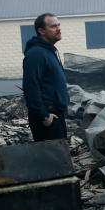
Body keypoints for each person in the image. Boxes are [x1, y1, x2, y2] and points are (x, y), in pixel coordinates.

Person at [22, 13, 70, 141]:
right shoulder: (36, 54)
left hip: (56, 115)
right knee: (52, 160)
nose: (58, 29)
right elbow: (31, 87)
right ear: (41, 31)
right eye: (53, 26)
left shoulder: (49, 51)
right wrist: (44, 116)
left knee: (61, 158)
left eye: (58, 25)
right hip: (47, 118)